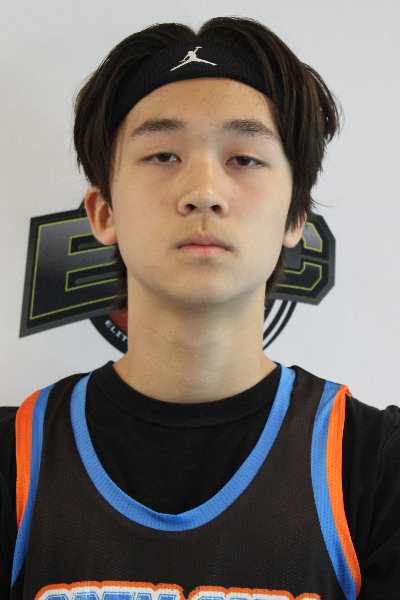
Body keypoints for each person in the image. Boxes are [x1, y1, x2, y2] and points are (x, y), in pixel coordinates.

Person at [1, 16, 399, 600]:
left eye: (245, 158)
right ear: (103, 213)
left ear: (295, 217)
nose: (204, 191)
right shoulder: (16, 459)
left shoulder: (377, 468)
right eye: (163, 154)